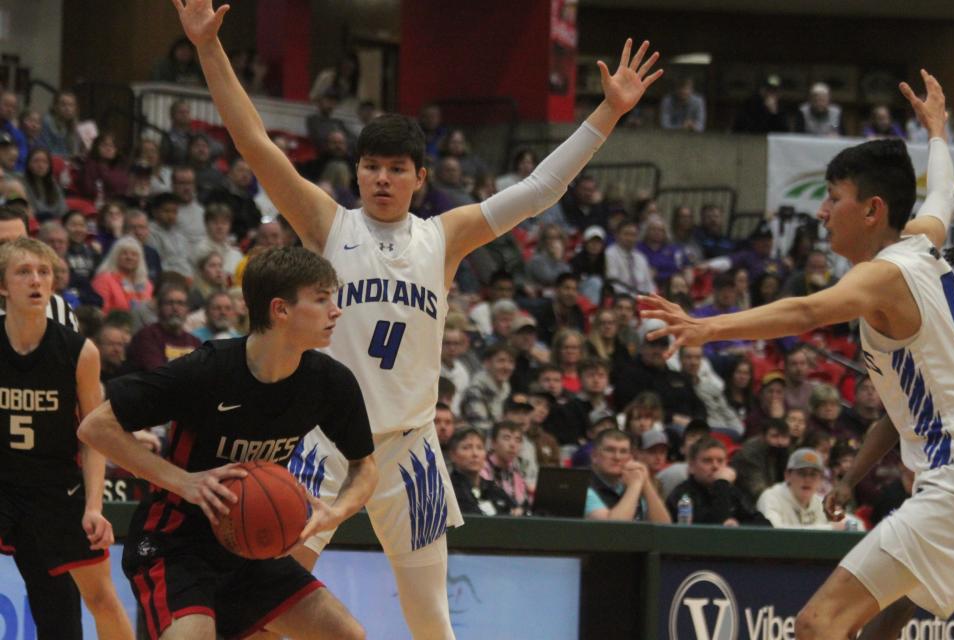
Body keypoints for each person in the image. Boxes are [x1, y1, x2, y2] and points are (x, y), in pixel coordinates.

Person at [176, 1, 662, 635]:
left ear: (419, 178)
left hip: (410, 448)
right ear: (356, 172)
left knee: (430, 614)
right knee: (267, 604)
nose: (382, 178)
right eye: (372, 167)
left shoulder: (445, 236)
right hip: (320, 441)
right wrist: (210, 47)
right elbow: (254, 143)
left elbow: (541, 189)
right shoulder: (329, 223)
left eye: (396, 169)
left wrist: (607, 113)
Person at [641, 70, 954, 638]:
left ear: (872, 210)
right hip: (946, 476)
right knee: (888, 618)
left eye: (833, 199)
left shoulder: (882, 277)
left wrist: (703, 327)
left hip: (952, 480)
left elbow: (806, 312)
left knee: (819, 624)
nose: (821, 211)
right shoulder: (923, 240)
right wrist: (938, 130)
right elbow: (942, 193)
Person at [78, 246, 377, 639]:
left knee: (348, 635)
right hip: (175, 542)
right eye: (321, 299)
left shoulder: (330, 382)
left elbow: (365, 466)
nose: (335, 311)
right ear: (280, 310)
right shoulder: (208, 370)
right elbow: (96, 427)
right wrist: (184, 481)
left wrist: (336, 513)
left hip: (252, 545)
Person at [0, 237, 134, 640]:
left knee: (101, 598)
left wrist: (95, 506)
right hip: (4, 483)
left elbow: (93, 437)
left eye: (43, 272)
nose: (36, 280)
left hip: (58, 488)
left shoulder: (80, 352)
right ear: (3, 287)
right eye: (23, 272)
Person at [666, 437, 771, 527]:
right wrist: (721, 484)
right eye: (707, 461)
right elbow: (711, 529)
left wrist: (738, 525)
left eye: (720, 461)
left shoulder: (732, 491)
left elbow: (765, 525)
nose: (715, 466)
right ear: (692, 466)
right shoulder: (682, 496)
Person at [585, 429, 671, 522]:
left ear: (630, 457)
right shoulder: (584, 488)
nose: (617, 457)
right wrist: (634, 486)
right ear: (594, 456)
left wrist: (646, 483)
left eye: (623, 451)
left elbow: (664, 526)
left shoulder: (633, 481)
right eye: (610, 450)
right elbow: (611, 529)